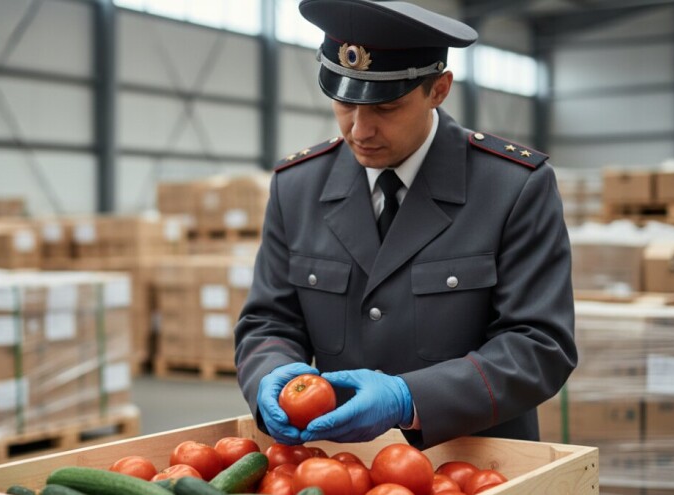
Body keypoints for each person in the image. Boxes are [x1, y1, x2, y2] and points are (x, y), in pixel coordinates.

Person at [234, 0, 577, 449]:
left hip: (473, 463)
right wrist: (270, 374)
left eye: (387, 108)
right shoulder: (296, 187)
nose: (359, 130)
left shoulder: (512, 188)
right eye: (343, 104)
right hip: (341, 462)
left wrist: (411, 397)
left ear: (438, 89)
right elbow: (268, 321)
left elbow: (540, 345)